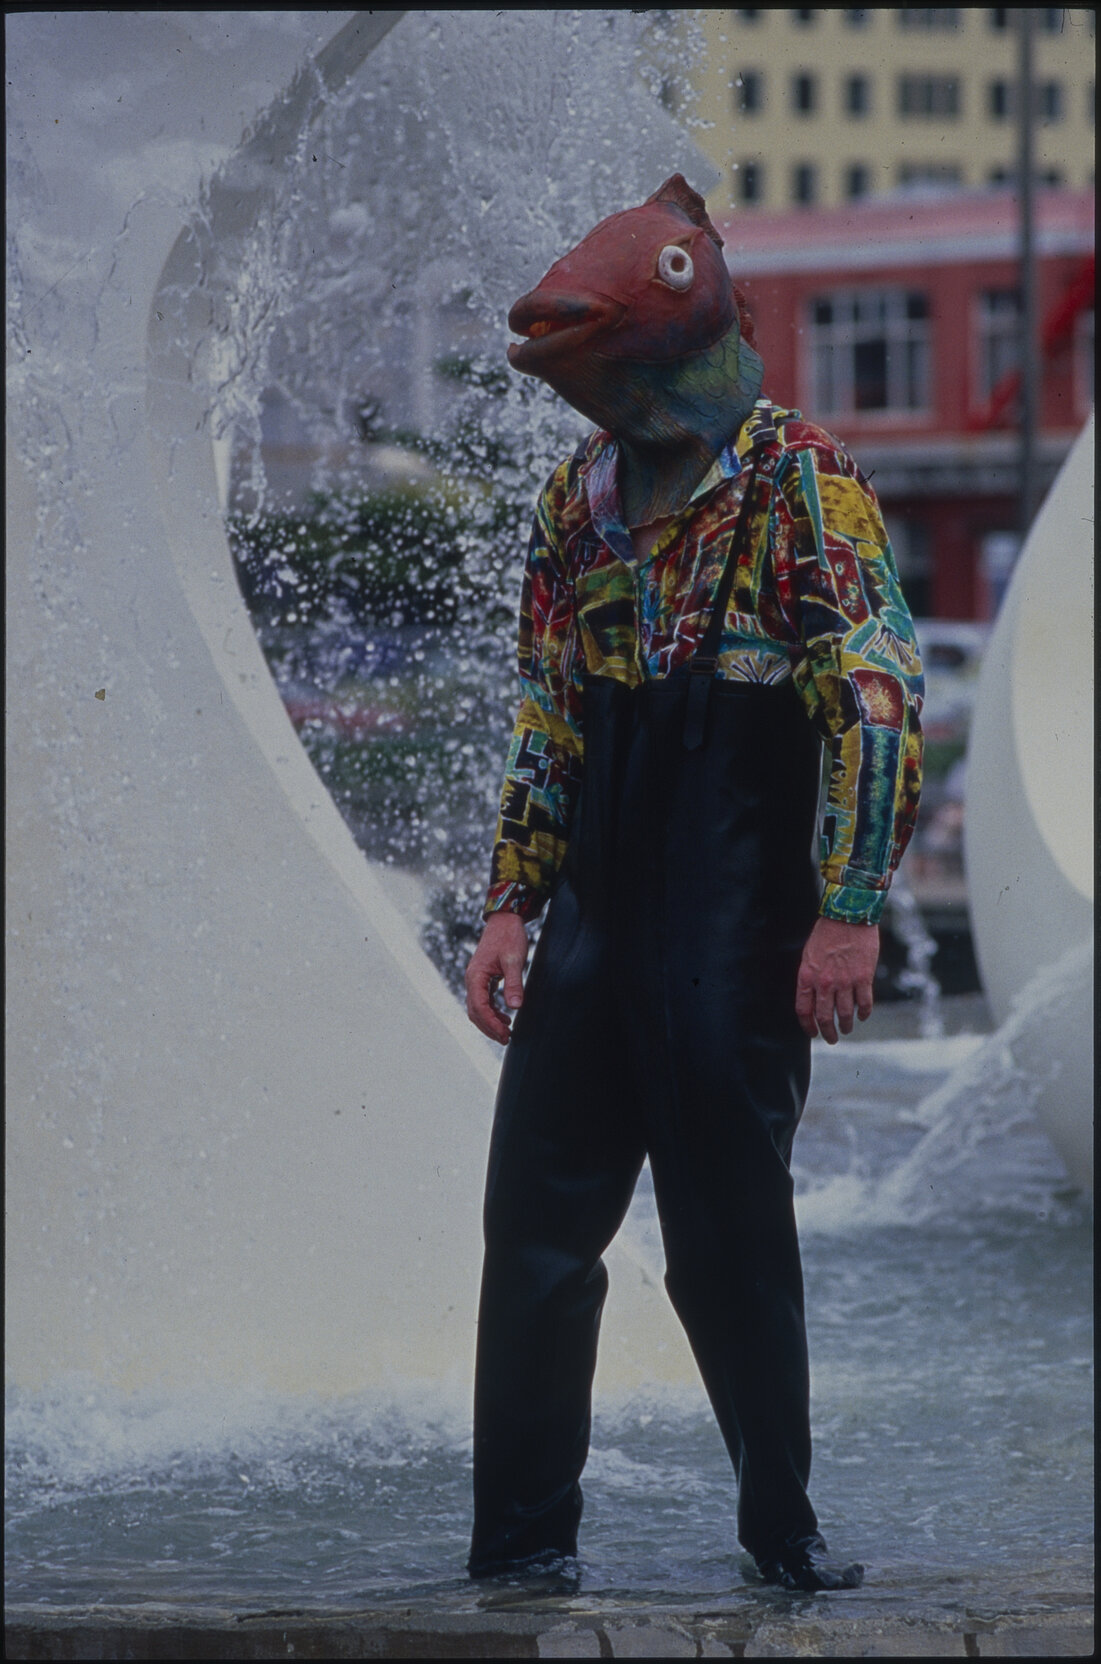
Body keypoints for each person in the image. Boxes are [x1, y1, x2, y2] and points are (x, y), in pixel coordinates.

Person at [463, 175, 923, 1593]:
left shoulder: (797, 476)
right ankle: (520, 1550)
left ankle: (781, 1537)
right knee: (534, 1232)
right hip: (600, 913)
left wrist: (845, 910)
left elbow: (874, 691)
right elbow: (550, 703)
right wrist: (510, 898)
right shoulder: (577, 497)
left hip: (736, 920)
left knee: (729, 1237)